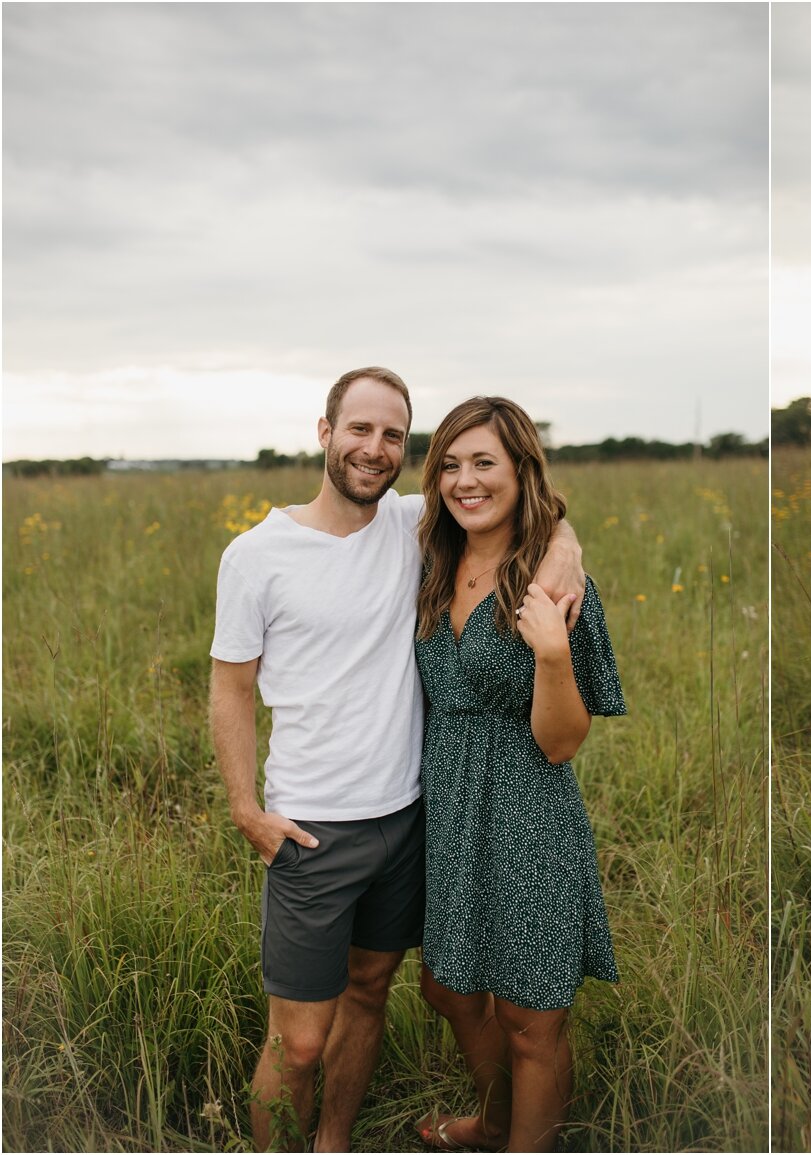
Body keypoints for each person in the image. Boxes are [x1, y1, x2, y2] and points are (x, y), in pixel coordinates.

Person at [211, 369, 581, 1152]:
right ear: (325, 431)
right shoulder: (256, 555)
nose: (374, 449)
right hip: (311, 828)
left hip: (410, 819)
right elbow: (232, 688)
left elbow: (521, 503)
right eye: (359, 429)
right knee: (298, 1042)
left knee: (372, 990)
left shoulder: (414, 523)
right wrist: (246, 806)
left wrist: (566, 549)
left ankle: (334, 1142)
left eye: (391, 435)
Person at [408, 397, 626, 1154]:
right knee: (450, 987)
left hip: (529, 806)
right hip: (447, 804)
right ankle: (493, 1121)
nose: (466, 481)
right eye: (450, 465)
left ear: (521, 469)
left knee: (532, 1017)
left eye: (485, 463)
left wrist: (553, 655)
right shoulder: (430, 559)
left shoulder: (557, 586)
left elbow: (564, 743)